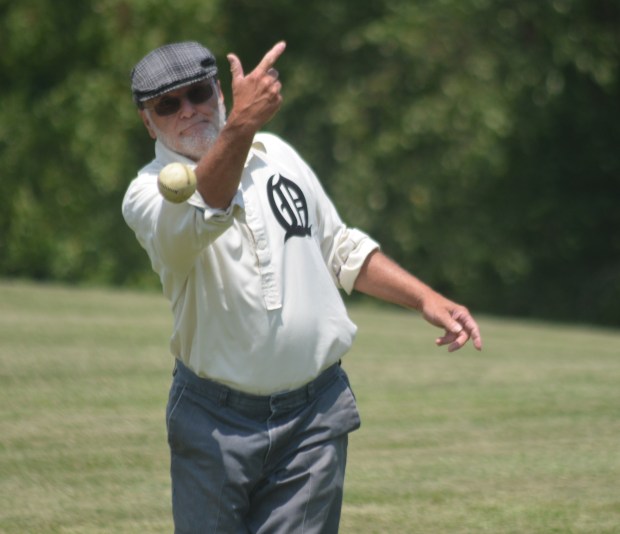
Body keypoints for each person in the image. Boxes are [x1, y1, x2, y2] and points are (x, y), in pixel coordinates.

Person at [122, 40, 482, 534]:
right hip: (212, 422)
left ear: (219, 92)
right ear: (148, 120)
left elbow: (340, 249)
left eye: (199, 92)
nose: (189, 110)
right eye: (168, 104)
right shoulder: (148, 193)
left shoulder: (279, 156)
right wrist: (243, 124)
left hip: (314, 416)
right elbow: (209, 205)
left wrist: (426, 297)